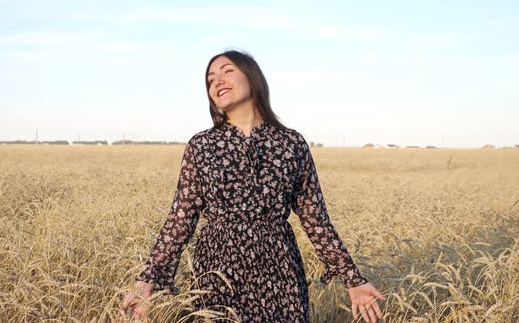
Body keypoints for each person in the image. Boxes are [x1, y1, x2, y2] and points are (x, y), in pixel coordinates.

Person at [121, 49, 385, 323]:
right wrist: (147, 281)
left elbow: (316, 221)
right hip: (218, 272)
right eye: (210, 80)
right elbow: (180, 218)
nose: (217, 82)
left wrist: (353, 280)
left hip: (280, 271)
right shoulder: (201, 146)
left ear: (252, 76)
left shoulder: (291, 144)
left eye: (227, 72)